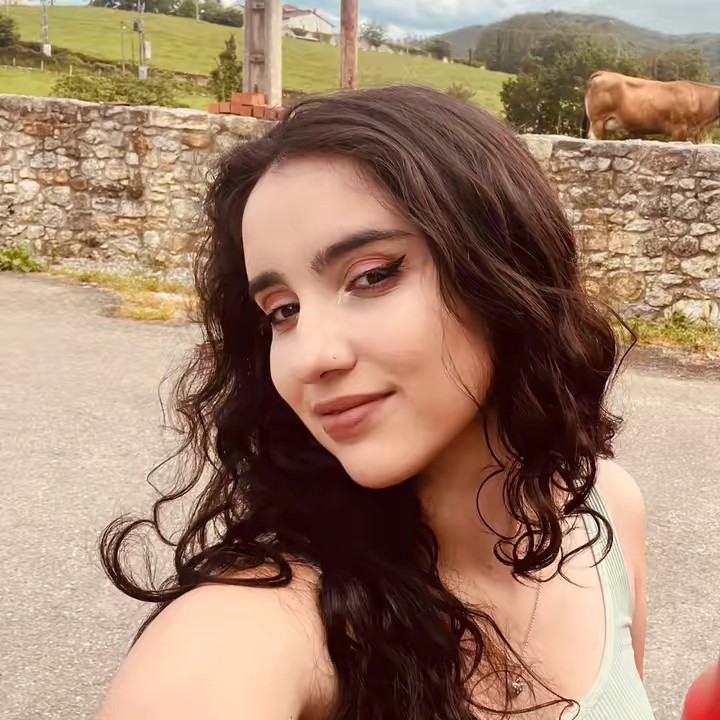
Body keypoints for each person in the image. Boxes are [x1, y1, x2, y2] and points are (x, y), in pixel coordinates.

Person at [97, 85, 654, 720]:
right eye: (282, 312)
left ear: (505, 265)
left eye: (370, 276)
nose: (309, 357)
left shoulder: (609, 507)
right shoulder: (248, 629)